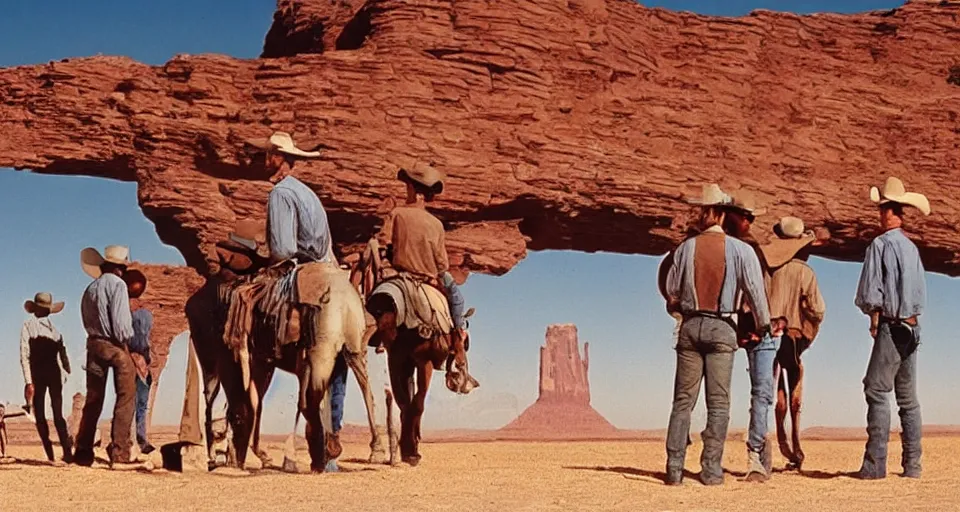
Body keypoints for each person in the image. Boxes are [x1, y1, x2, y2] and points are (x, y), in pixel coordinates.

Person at [250, 131, 348, 461]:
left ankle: (270, 349)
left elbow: (284, 248)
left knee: (254, 311)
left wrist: (266, 259)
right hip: (331, 270)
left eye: (270, 155)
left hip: (301, 270)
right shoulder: (309, 194)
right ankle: (333, 436)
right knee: (339, 363)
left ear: (281, 159)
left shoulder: (280, 193)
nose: (266, 161)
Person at [664, 184, 770, 486]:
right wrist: (762, 326)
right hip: (723, 327)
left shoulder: (685, 249)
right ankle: (710, 469)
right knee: (719, 403)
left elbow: (671, 289)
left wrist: (682, 307)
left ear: (703, 212)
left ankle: (674, 468)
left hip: (690, 326)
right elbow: (756, 294)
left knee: (683, 401)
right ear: (723, 215)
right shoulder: (741, 251)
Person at [854, 176, 929, 480]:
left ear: (892, 211)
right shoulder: (911, 248)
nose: (881, 214)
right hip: (913, 327)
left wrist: (874, 320)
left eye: (884, 208)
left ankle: (875, 465)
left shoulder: (880, 245)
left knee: (875, 389)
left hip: (892, 326)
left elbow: (871, 293)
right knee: (908, 399)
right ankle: (912, 465)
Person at [759, 217, 827, 470]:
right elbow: (818, 310)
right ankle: (794, 448)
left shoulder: (765, 270)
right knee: (793, 387)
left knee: (765, 394)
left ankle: (765, 453)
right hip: (793, 336)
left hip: (765, 334)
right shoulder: (803, 272)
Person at [723, 191, 779, 482]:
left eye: (750, 217)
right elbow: (757, 292)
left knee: (723, 395)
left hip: (739, 327)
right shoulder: (749, 249)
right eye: (745, 216)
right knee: (762, 393)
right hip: (757, 328)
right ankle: (756, 458)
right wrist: (764, 323)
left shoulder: (729, 247)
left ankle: (733, 459)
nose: (748, 221)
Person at [374, 161, 467, 331]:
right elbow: (442, 264)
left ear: (415, 191)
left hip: (399, 274)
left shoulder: (396, 214)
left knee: (372, 302)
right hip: (429, 278)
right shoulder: (437, 224)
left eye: (407, 187)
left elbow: (382, 244)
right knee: (457, 299)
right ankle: (458, 334)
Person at [74, 245, 139, 468]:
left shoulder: (90, 289)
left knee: (93, 400)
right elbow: (121, 328)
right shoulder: (118, 285)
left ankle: (82, 452)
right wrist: (128, 344)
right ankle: (120, 453)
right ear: (120, 268)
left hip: (93, 344)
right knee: (126, 396)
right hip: (113, 346)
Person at [20, 292, 73, 464]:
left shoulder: (47, 329)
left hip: (43, 374)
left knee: (48, 413)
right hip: (46, 375)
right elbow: (63, 359)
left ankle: (61, 453)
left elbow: (24, 355)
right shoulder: (49, 330)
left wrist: (29, 381)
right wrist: (29, 381)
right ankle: (59, 453)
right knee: (49, 413)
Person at [124, 269, 155, 455]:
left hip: (133, 360)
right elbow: (143, 341)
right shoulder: (144, 314)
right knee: (139, 403)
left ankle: (136, 440)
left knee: (132, 402)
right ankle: (139, 440)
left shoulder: (130, 312)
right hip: (139, 361)